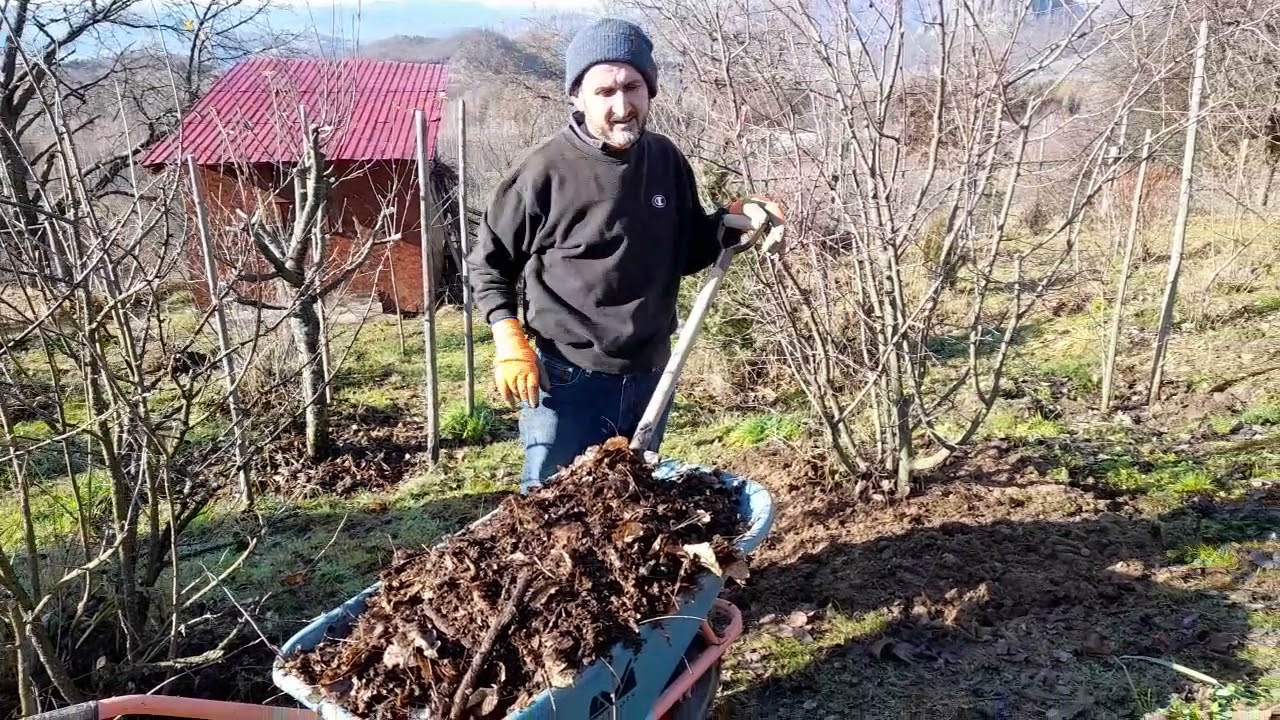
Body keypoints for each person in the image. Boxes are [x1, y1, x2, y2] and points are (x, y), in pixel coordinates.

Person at [467, 17, 783, 492]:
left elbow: (686, 248)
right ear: (576, 96)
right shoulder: (543, 172)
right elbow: (488, 264)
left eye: (632, 87)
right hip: (567, 378)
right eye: (604, 91)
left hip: (652, 372)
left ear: (650, 89)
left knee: (630, 502)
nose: (622, 106)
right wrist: (508, 338)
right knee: (554, 509)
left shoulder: (665, 160)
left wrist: (729, 221)